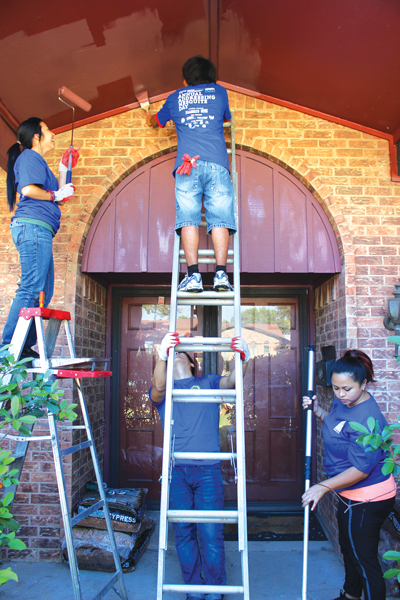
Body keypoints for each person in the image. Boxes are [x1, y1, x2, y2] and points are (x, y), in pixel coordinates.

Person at [149, 332, 250, 600]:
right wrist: (162, 354)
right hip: (176, 472)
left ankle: (214, 591)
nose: (176, 354)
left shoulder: (207, 382)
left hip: (207, 471)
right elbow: (158, 386)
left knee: (210, 534)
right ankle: (193, 589)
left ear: (193, 363)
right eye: (172, 353)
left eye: (181, 352)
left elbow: (232, 381)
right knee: (183, 533)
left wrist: (242, 357)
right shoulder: (165, 392)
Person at [302, 349, 396, 600]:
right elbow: (336, 424)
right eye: (336, 388)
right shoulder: (343, 402)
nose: (341, 395)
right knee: (348, 549)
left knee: (364, 562)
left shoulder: (368, 418)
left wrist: (322, 487)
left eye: (347, 389)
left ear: (364, 384)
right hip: (349, 495)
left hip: (368, 498)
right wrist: (317, 410)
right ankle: (351, 595)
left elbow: (361, 470)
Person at [147, 56, 236, 293]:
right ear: (211, 76)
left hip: (187, 166)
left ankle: (194, 275)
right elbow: (226, 118)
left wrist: (147, 116)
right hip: (217, 164)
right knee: (220, 218)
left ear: (186, 78)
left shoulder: (175, 97)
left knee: (188, 218)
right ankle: (220, 275)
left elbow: (157, 121)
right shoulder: (220, 93)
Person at [2, 117, 76, 359]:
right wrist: (55, 195)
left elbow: (60, 195)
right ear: (36, 135)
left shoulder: (38, 162)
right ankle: (8, 347)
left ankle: (23, 344)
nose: (53, 133)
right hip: (32, 226)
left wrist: (65, 169)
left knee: (44, 289)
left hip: (40, 229)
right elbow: (29, 190)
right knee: (32, 287)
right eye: (48, 129)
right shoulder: (30, 157)